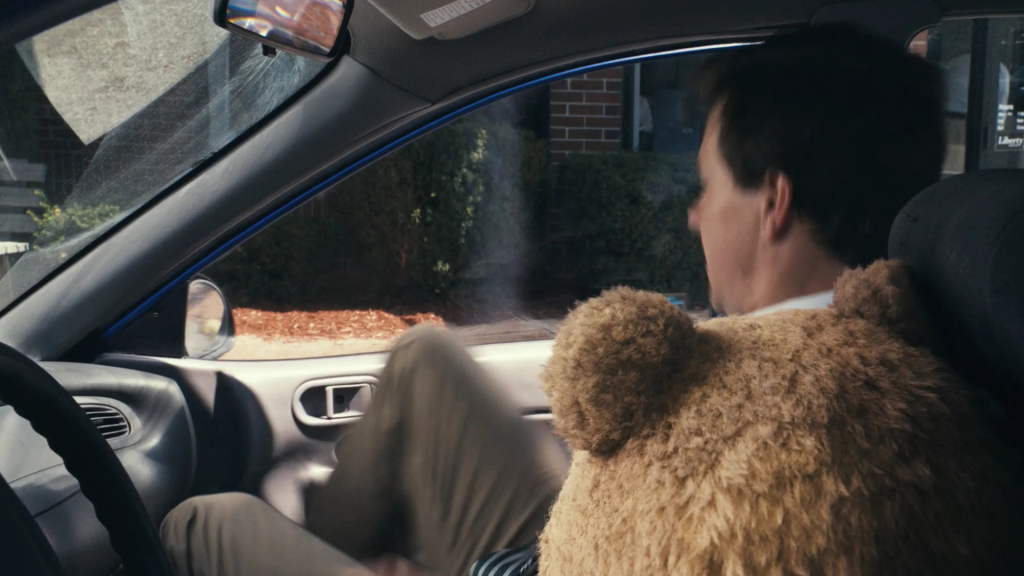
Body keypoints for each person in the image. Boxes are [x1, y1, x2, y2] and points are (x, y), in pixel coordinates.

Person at [160, 24, 1017, 576]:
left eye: (706, 185)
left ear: (774, 204)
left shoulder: (771, 432)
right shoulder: (923, 375)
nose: (693, 214)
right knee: (425, 358)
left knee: (206, 522)